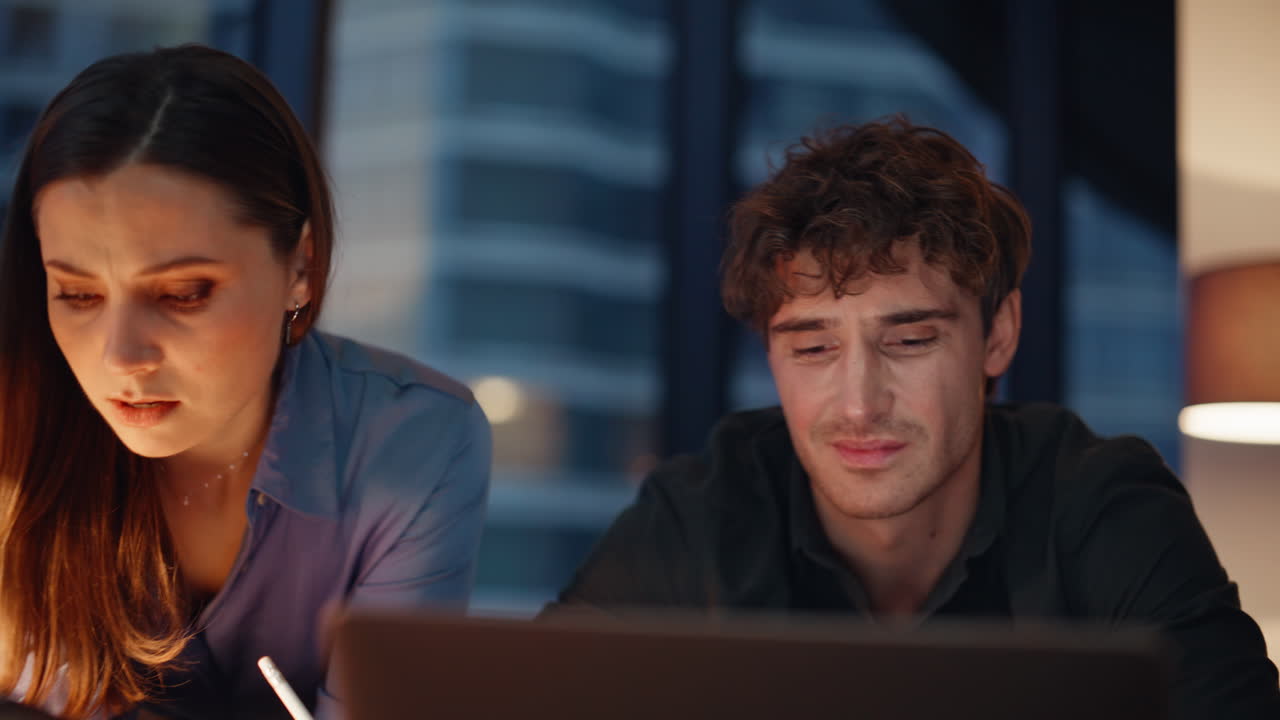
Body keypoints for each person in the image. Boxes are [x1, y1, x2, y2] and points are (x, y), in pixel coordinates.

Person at [546, 117, 1280, 717]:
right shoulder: (701, 512)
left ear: (998, 335)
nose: (860, 403)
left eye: (909, 340)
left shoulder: (1103, 507)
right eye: (812, 348)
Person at [0, 45, 491, 719]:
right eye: (77, 295)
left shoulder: (413, 443)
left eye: (182, 293)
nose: (120, 357)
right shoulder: (14, 438)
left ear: (301, 266)